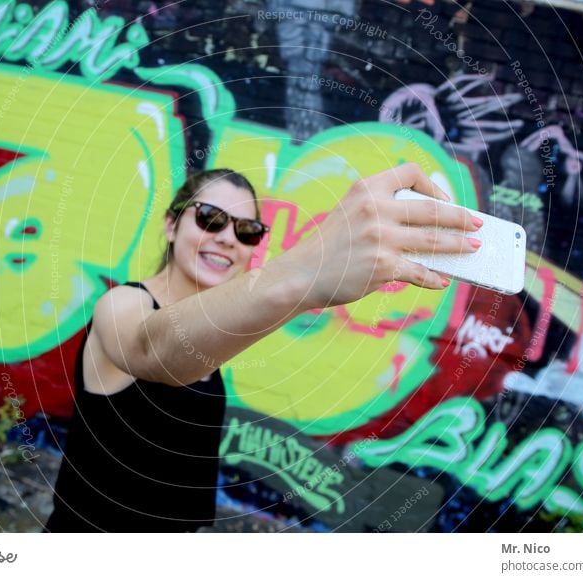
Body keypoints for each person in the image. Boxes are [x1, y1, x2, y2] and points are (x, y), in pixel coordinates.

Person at [44, 164, 482, 532]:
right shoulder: (123, 304)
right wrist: (306, 268)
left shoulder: (215, 329)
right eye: (211, 219)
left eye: (247, 230)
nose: (228, 238)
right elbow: (151, 351)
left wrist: (313, 290)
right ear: (172, 224)